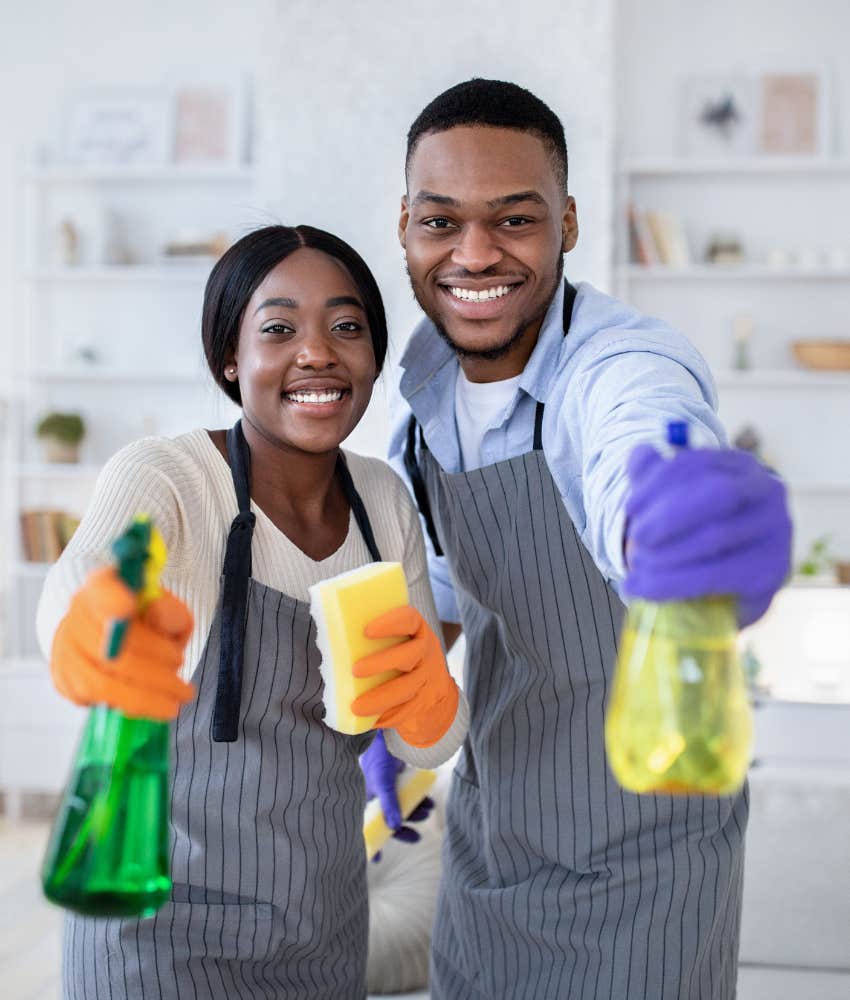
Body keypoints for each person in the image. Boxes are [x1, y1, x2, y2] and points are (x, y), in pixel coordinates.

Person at [385, 79, 792, 999]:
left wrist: (675, 518)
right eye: (441, 222)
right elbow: (451, 579)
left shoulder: (619, 365)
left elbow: (637, 446)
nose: (475, 253)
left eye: (515, 219)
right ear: (404, 227)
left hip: (649, 865)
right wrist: (396, 697)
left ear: (567, 223)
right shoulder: (418, 392)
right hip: (488, 851)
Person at [36, 224, 468, 999]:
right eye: (278, 329)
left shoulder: (383, 502)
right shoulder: (170, 479)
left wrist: (431, 701)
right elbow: (84, 580)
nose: (317, 353)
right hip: (155, 933)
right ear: (231, 360)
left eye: (347, 327)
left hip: (322, 931)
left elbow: (423, 744)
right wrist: (93, 628)